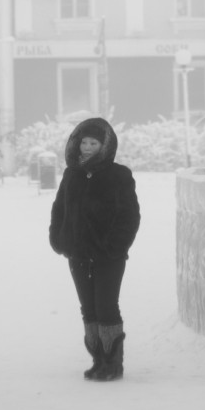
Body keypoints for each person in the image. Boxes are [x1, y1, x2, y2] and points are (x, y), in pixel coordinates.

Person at [49, 117, 140, 382]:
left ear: (105, 145)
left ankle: (113, 364)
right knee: (88, 308)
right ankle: (98, 360)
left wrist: (114, 246)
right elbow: (59, 209)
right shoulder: (72, 174)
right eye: (84, 142)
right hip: (77, 254)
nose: (87, 148)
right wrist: (59, 238)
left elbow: (129, 217)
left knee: (106, 307)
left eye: (94, 143)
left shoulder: (119, 175)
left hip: (108, 257)